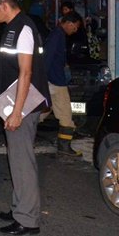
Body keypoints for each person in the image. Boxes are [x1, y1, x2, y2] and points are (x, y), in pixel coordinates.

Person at [0, 0, 50, 236]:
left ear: (4, 5)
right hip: (15, 103)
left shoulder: (23, 28)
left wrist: (17, 112)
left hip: (22, 106)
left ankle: (28, 219)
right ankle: (19, 208)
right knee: (17, 159)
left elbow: (26, 73)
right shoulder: (12, 28)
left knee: (23, 162)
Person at [42, 11, 83, 157]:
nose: (75, 30)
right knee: (66, 115)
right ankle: (64, 148)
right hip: (56, 82)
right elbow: (47, 58)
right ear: (69, 23)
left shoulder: (57, 34)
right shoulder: (57, 35)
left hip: (52, 81)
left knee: (42, 112)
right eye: (75, 27)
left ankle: (24, 131)